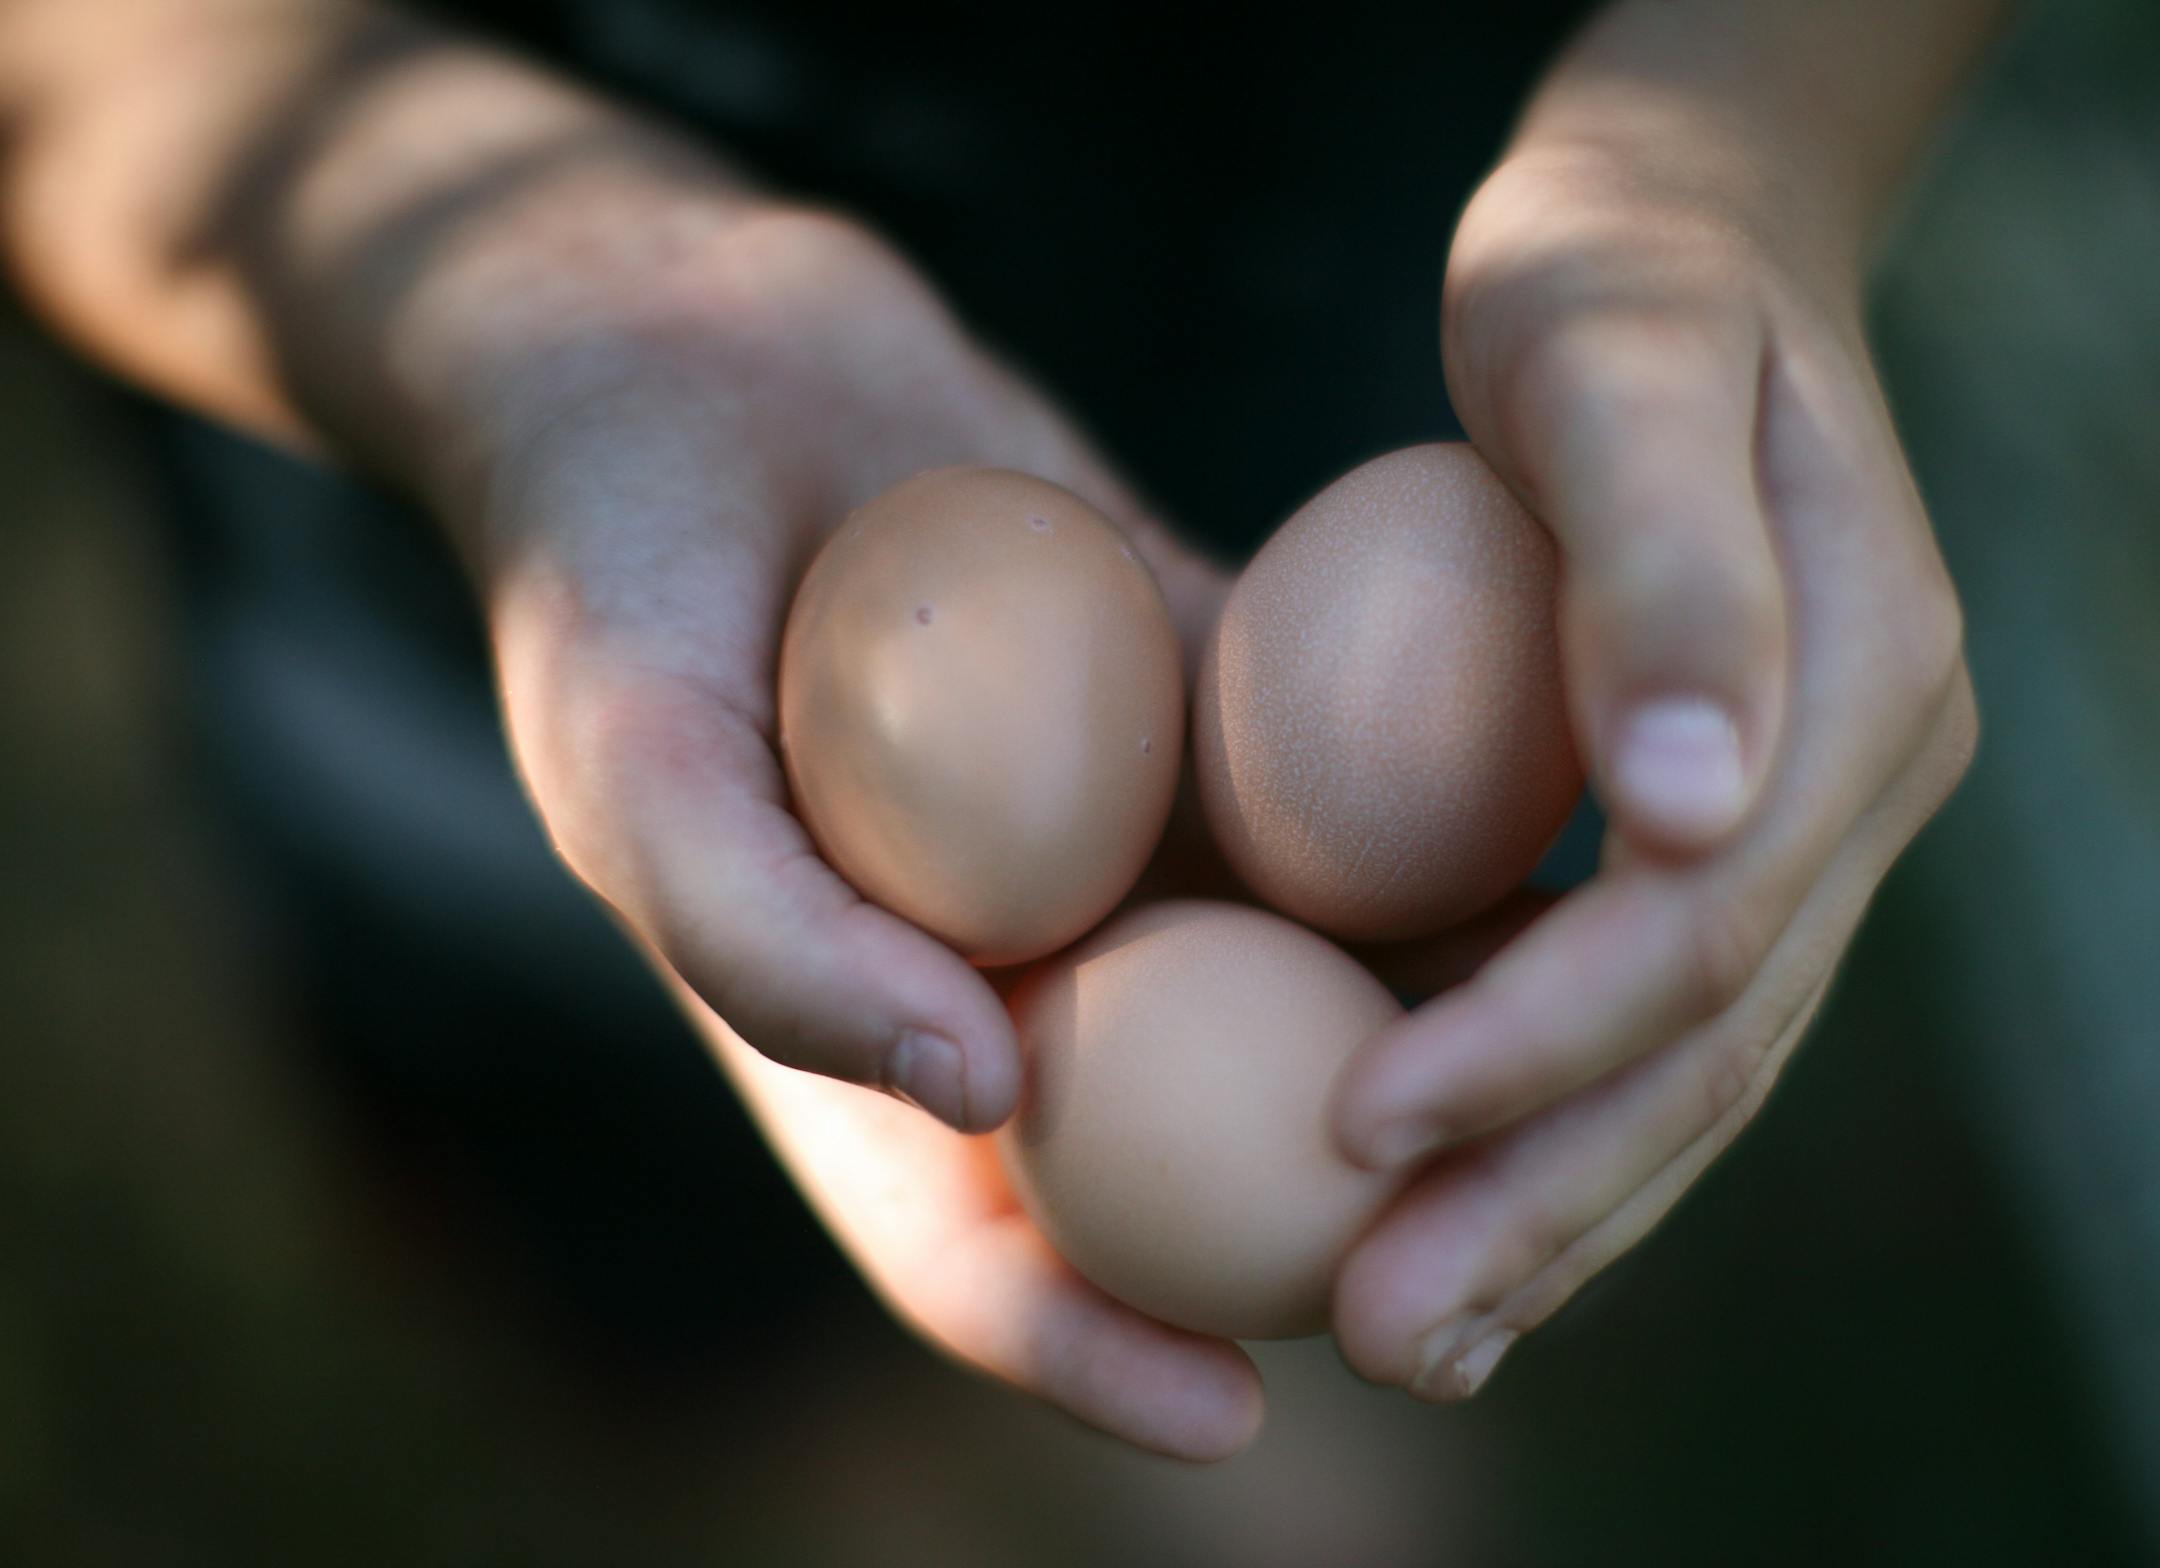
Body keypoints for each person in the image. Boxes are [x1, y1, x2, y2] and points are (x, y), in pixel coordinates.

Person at [0, 0, 1993, 1461]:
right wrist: (521, 303)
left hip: (1377, 286)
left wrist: (1725, 141)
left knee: (1290, 1191)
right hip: (506, 526)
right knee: (685, 1267)